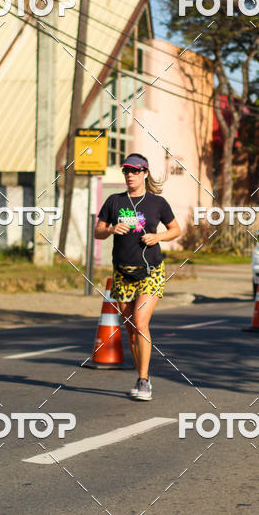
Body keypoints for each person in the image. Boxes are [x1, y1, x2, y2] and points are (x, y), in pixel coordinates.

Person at [94, 153, 181, 400]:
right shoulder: (113, 202)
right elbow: (98, 232)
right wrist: (111, 229)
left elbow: (176, 229)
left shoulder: (157, 203)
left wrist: (157, 237)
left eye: (134, 171)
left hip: (151, 271)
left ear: (144, 173)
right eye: (126, 171)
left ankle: (143, 381)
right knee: (131, 328)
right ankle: (142, 376)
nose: (130, 175)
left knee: (141, 322)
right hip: (123, 272)